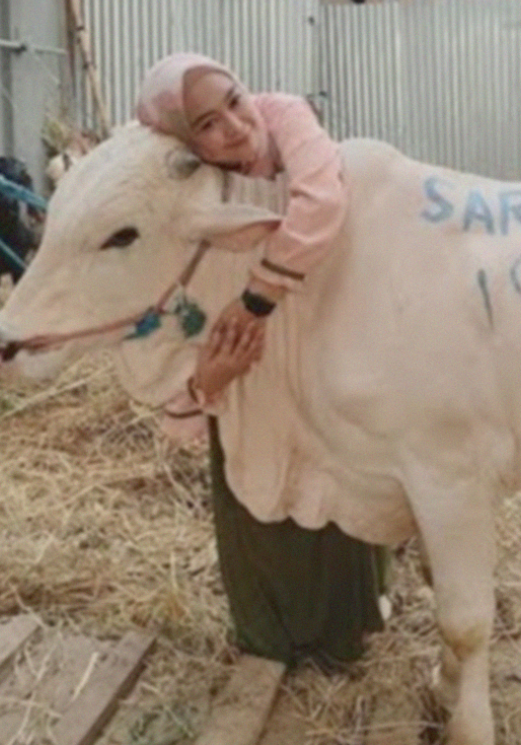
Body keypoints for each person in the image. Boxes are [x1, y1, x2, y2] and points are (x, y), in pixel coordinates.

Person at [134, 53, 389, 670]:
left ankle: (346, 633)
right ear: (184, 142)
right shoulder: (188, 190)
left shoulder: (285, 115)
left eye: (234, 101)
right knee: (258, 493)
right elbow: (171, 305)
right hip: (246, 381)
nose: (236, 126)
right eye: (207, 125)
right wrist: (204, 383)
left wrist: (258, 298)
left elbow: (323, 201)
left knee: (334, 493)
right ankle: (271, 635)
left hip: (318, 351)